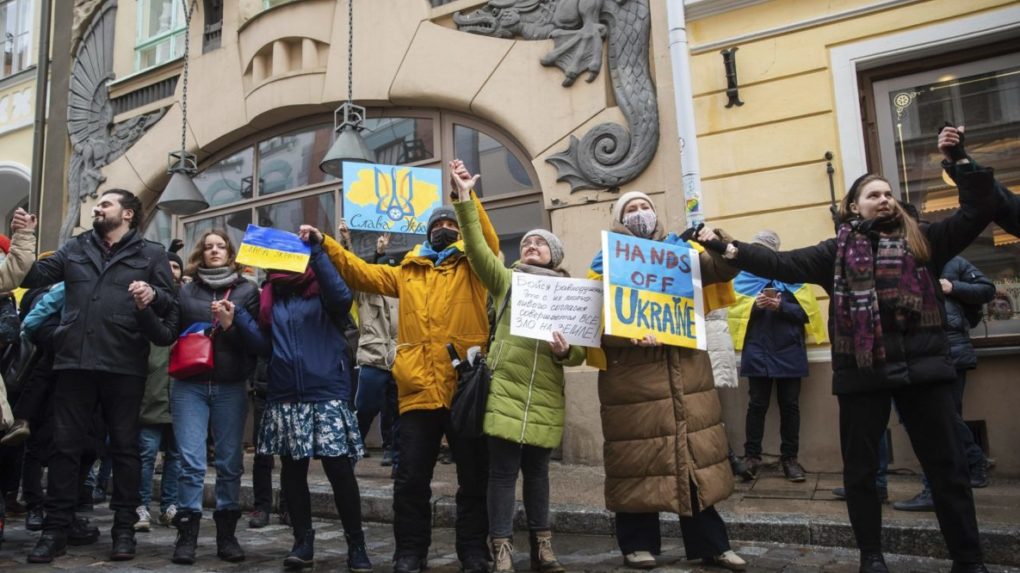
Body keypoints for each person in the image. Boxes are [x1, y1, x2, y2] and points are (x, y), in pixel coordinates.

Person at [695, 127, 998, 573]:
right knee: (860, 473)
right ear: (853, 206)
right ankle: (871, 557)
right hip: (864, 372)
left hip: (927, 371)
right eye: (874, 193)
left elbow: (978, 211)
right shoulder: (833, 253)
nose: (885, 199)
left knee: (947, 469)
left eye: (889, 193)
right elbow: (778, 263)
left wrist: (959, 163)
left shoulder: (924, 240)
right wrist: (725, 246)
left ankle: (968, 559)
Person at [316, 159, 496, 573]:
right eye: (437, 225)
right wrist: (327, 245)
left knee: (473, 477)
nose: (443, 228)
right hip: (417, 389)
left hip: (465, 387)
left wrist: (465, 198)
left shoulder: (474, 268)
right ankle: (410, 553)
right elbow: (360, 274)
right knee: (410, 480)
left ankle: (473, 551)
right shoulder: (405, 272)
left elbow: (483, 239)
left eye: (450, 224)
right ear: (426, 232)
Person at [588, 191, 746, 571]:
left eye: (645, 207)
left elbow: (724, 269)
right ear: (618, 220)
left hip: (686, 376)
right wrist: (627, 334)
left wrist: (716, 241)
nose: (640, 214)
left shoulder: (683, 254)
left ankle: (713, 544)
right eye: (630, 210)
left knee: (693, 463)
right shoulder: (603, 266)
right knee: (639, 463)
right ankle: (637, 544)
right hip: (634, 385)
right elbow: (595, 325)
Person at [21, 189, 179, 564]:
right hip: (74, 363)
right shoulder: (76, 248)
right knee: (64, 448)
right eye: (98, 204)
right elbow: (32, 275)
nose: (96, 207)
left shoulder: (152, 255)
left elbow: (171, 314)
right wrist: (26, 237)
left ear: (127, 214)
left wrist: (152, 295)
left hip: (124, 366)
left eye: (105, 203)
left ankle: (123, 530)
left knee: (125, 450)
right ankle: (54, 530)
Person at [453, 192, 586, 573]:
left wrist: (564, 351)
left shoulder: (571, 294)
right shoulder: (507, 283)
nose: (530, 245)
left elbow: (580, 353)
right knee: (501, 475)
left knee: (539, 475)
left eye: (540, 242)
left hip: (544, 394)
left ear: (554, 255)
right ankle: (502, 549)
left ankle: (543, 547)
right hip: (504, 393)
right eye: (526, 242)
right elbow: (478, 251)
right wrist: (465, 201)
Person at [231, 226, 371, 572]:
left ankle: (357, 544)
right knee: (292, 472)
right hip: (286, 395)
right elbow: (265, 346)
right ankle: (302, 541)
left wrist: (319, 250)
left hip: (326, 392)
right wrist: (238, 320)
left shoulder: (321, 286)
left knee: (339, 470)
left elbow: (342, 300)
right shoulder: (270, 295)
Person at [169, 230, 259, 565]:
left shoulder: (248, 290)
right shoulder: (187, 290)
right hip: (189, 386)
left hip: (230, 385)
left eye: (220, 246)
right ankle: (187, 534)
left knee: (228, 464)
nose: (214, 251)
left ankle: (227, 535)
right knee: (191, 463)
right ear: (201, 254)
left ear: (230, 252)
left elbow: (258, 344)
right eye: (208, 247)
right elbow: (168, 331)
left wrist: (231, 323)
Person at [893, 255, 995, 512]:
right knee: (928, 420)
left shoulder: (955, 261)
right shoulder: (895, 258)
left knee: (944, 420)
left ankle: (939, 488)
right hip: (916, 353)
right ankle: (972, 462)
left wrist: (952, 287)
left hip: (953, 351)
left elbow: (987, 289)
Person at [728, 230, 825, 483]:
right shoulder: (743, 280)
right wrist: (754, 306)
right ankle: (751, 458)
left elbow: (807, 315)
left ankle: (790, 460)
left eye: (764, 252)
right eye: (755, 250)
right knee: (756, 406)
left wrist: (780, 306)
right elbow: (733, 313)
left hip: (789, 353)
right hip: (757, 353)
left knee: (790, 407)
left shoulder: (794, 278)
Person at [339, 225, 400, 471]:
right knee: (364, 409)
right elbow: (351, 270)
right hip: (372, 359)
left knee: (398, 414)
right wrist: (346, 242)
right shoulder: (364, 292)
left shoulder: (404, 291)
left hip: (400, 359)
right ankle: (350, 456)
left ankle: (398, 461)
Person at [135, 243, 185, 532]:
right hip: (150, 389)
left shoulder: (185, 302)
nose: (172, 270)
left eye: (176, 266)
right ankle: (140, 506)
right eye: (167, 265)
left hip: (180, 389)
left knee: (176, 456)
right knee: (146, 453)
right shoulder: (145, 300)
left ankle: (169, 506)